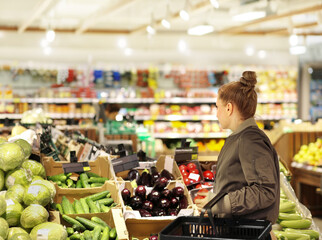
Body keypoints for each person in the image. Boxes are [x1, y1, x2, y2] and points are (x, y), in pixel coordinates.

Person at [197, 71, 280, 227]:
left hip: (247, 231)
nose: (216, 114)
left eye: (217, 107)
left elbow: (265, 190)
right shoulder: (239, 137)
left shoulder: (250, 140)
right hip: (237, 227)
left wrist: (219, 204)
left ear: (229, 108)